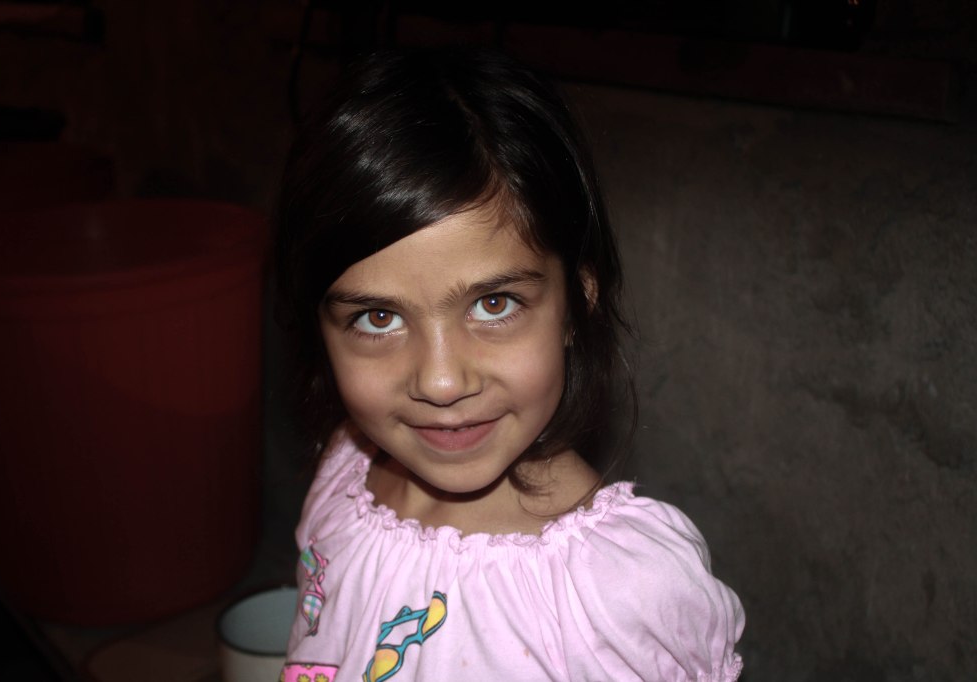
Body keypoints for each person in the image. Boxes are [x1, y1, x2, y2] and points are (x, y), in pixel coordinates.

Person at [274, 47, 744, 682]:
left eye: (493, 304)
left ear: (577, 302)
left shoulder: (621, 593)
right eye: (378, 317)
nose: (442, 381)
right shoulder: (342, 477)